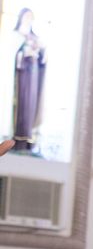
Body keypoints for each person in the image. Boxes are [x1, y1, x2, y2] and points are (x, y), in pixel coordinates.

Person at [12, 8, 46, 153]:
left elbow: (42, 56)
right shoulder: (17, 36)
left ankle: (28, 138)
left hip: (32, 76)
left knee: (30, 106)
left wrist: (40, 52)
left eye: (31, 18)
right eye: (26, 17)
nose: (28, 20)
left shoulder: (34, 37)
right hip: (20, 77)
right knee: (20, 106)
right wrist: (24, 53)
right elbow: (12, 54)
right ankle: (16, 138)